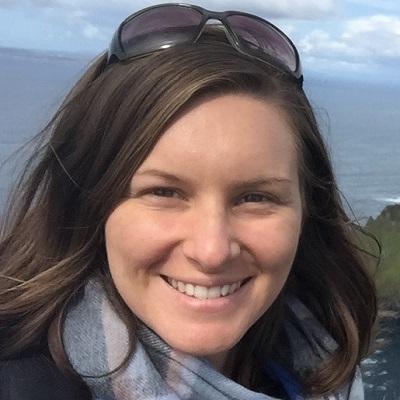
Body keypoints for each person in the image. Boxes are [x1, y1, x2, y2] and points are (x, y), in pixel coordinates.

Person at [0, 3, 377, 400]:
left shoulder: (317, 360)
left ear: (306, 211)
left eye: (255, 197)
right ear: (88, 201)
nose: (211, 252)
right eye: (164, 192)